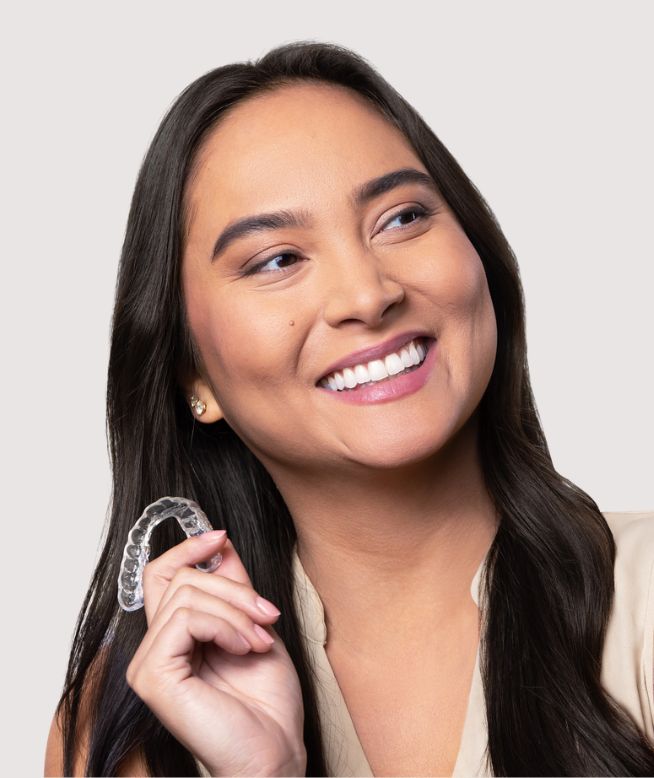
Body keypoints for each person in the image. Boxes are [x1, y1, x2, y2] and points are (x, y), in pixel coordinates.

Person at [44, 40, 654, 777]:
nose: (369, 295)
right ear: (191, 375)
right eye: (278, 259)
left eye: (400, 218)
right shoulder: (134, 715)